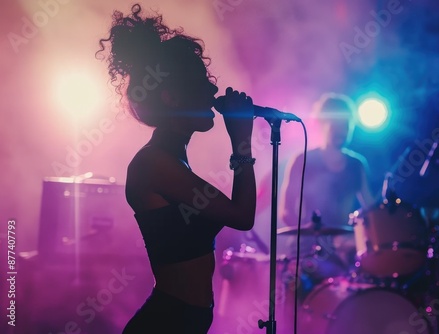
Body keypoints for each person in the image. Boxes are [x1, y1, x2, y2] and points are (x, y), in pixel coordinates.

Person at [96, 4, 256, 333]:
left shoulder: (173, 158)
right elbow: (242, 216)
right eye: (201, 82)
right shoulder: (153, 163)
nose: (213, 90)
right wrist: (242, 141)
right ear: (171, 97)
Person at [278, 92, 376, 290]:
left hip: (343, 255)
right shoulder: (302, 160)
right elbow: (285, 210)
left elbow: (372, 212)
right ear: (323, 123)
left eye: (347, 124)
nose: (342, 129)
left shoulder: (357, 165)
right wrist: (308, 232)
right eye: (337, 124)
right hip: (305, 253)